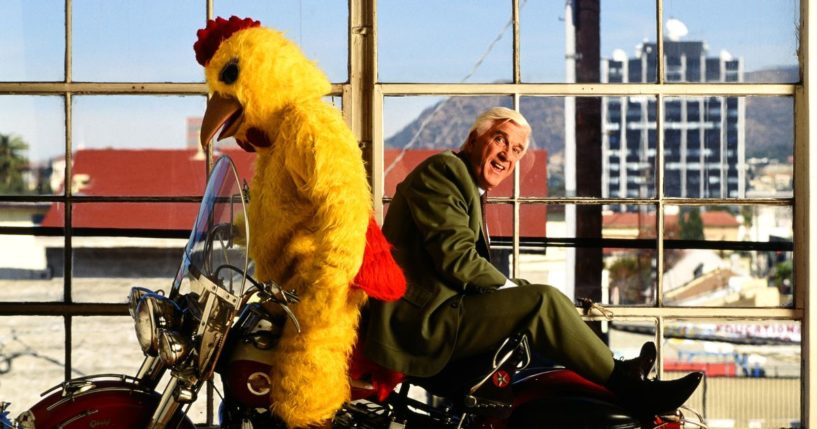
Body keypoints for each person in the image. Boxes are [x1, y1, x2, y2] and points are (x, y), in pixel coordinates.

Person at [363, 106, 702, 416]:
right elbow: (458, 261)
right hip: (422, 325)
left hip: (443, 314)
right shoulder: (445, 171)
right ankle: (629, 387)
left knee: (539, 297)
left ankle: (619, 373)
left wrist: (516, 290)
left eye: (517, 151)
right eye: (500, 140)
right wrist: (517, 291)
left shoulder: (466, 184)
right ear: (472, 139)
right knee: (542, 300)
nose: (506, 156)